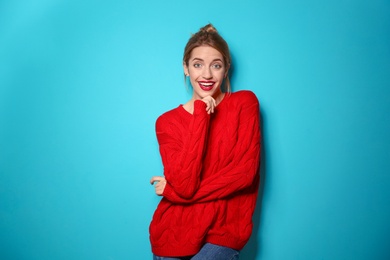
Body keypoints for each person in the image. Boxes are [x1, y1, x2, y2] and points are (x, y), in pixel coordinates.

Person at [149, 23, 261, 260]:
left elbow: (245, 174)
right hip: (172, 232)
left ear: (226, 68)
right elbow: (186, 184)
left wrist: (174, 193)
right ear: (186, 68)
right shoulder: (166, 122)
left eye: (216, 65)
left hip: (224, 230)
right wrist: (201, 113)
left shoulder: (244, 104)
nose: (207, 75)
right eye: (197, 64)